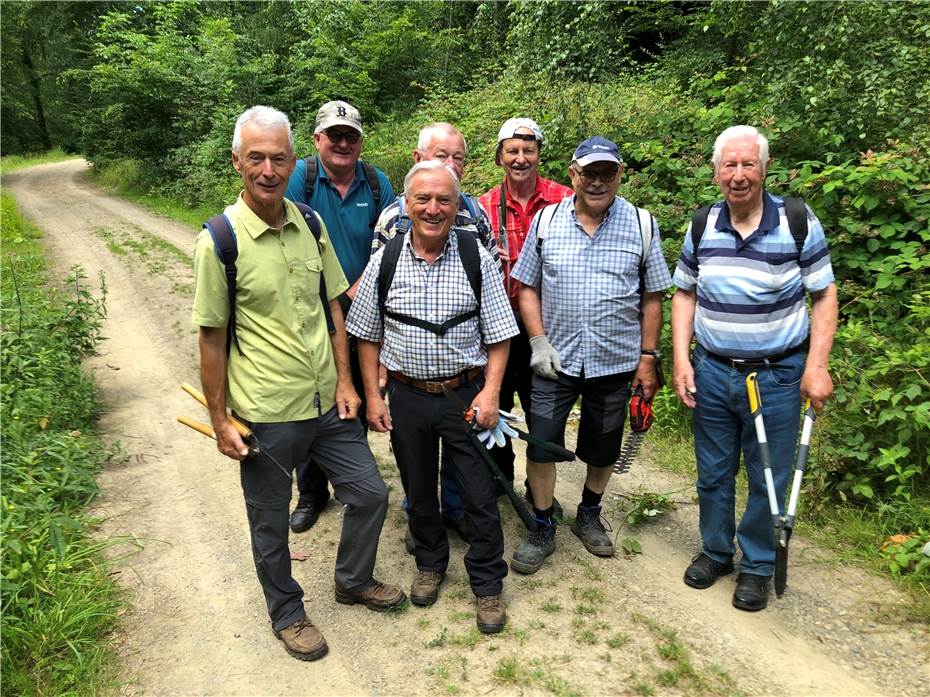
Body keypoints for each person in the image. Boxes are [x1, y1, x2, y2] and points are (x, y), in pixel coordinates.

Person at [192, 106, 404, 662]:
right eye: (256, 158)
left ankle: (352, 579)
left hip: (327, 404)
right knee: (270, 523)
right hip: (265, 411)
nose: (268, 169)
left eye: (278, 158)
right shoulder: (219, 241)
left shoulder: (310, 223)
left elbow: (333, 308)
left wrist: (346, 384)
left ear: (293, 160)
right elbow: (211, 340)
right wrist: (219, 418)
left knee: (370, 494)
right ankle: (287, 611)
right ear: (236, 162)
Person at [346, 160, 518, 634]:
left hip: (464, 393)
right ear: (406, 205)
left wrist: (491, 390)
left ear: (458, 205)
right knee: (418, 489)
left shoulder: (474, 255)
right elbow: (366, 335)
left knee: (480, 495)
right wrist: (375, 397)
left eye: (445, 199)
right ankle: (430, 563)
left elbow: (500, 335)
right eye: (423, 199)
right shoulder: (385, 258)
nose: (434, 208)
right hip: (406, 395)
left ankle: (487, 585)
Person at [671, 125, 838, 611]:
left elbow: (824, 294)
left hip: (777, 375)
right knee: (713, 471)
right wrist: (681, 358)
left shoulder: (798, 222)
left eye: (748, 165)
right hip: (713, 369)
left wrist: (817, 366)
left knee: (769, 476)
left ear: (765, 169)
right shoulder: (703, 224)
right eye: (730, 165)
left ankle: (759, 565)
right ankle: (716, 551)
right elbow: (685, 293)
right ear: (716, 171)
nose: (738, 175)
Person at [509, 136, 672, 574]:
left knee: (603, 446)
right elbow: (527, 287)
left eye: (607, 173)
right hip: (554, 361)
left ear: (620, 175)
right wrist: (538, 340)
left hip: (614, 361)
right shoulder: (546, 222)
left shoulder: (641, 224)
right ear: (573, 175)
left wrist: (647, 357)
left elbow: (653, 297)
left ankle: (589, 512)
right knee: (543, 443)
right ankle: (542, 523)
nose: (598, 182)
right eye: (589, 173)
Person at [371, 122, 500, 544]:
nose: (447, 164)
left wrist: (489, 383)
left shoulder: (476, 216)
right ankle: (422, 524)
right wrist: (384, 367)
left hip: (464, 372)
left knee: (467, 464)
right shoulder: (392, 220)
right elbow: (379, 296)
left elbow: (491, 287)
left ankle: (458, 513)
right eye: (438, 156)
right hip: (409, 375)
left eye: (455, 157)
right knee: (417, 463)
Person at [284, 100, 395, 534]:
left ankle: (354, 486)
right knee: (314, 401)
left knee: (361, 395)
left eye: (351, 136)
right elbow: (289, 233)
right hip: (313, 312)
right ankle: (311, 492)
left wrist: (359, 289)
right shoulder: (302, 179)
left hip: (366, 312)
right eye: (335, 135)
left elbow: (392, 238)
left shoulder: (375, 181)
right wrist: (337, 289)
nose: (343, 143)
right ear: (318, 140)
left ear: (361, 141)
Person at [478, 117, 573, 507]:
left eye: (528, 150)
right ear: (500, 156)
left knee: (543, 413)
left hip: (545, 328)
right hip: (497, 328)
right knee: (495, 406)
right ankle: (499, 481)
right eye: (512, 151)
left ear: (539, 154)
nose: (520, 159)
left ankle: (541, 495)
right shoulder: (483, 205)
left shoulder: (565, 199)